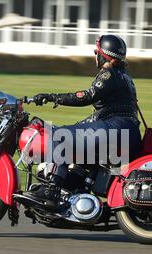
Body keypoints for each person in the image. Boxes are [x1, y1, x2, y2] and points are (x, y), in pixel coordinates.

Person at [23, 34, 142, 209]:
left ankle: (52, 190)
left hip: (117, 128)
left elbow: (86, 97)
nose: (95, 55)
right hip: (127, 131)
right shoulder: (124, 76)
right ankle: (77, 191)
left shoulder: (108, 74)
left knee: (59, 136)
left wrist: (53, 97)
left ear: (104, 54)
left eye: (97, 51)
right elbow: (102, 113)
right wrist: (79, 125)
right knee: (76, 144)